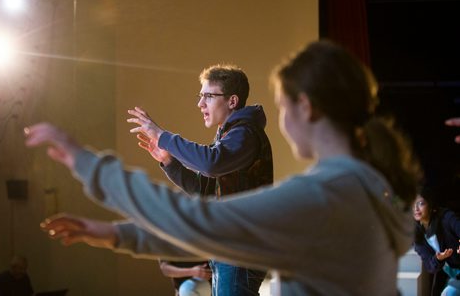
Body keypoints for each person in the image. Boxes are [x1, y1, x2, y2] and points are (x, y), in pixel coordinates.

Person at [27, 39, 421, 295]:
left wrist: (89, 164)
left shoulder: (329, 193)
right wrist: (115, 233)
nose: (281, 123)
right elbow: (225, 222)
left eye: (284, 109)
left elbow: (208, 223)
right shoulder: (360, 188)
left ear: (306, 107)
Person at [126, 64, 273, 296]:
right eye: (200, 96)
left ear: (232, 101)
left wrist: (163, 137)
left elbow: (211, 163)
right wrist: (169, 161)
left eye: (208, 96)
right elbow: (204, 189)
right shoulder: (229, 136)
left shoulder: (245, 133)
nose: (200, 104)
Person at [413, 189, 460, 296]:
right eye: (412, 205)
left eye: (420, 203)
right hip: (452, 277)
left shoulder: (446, 217)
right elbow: (430, 266)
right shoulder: (417, 234)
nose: (416, 208)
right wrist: (438, 258)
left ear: (430, 204)